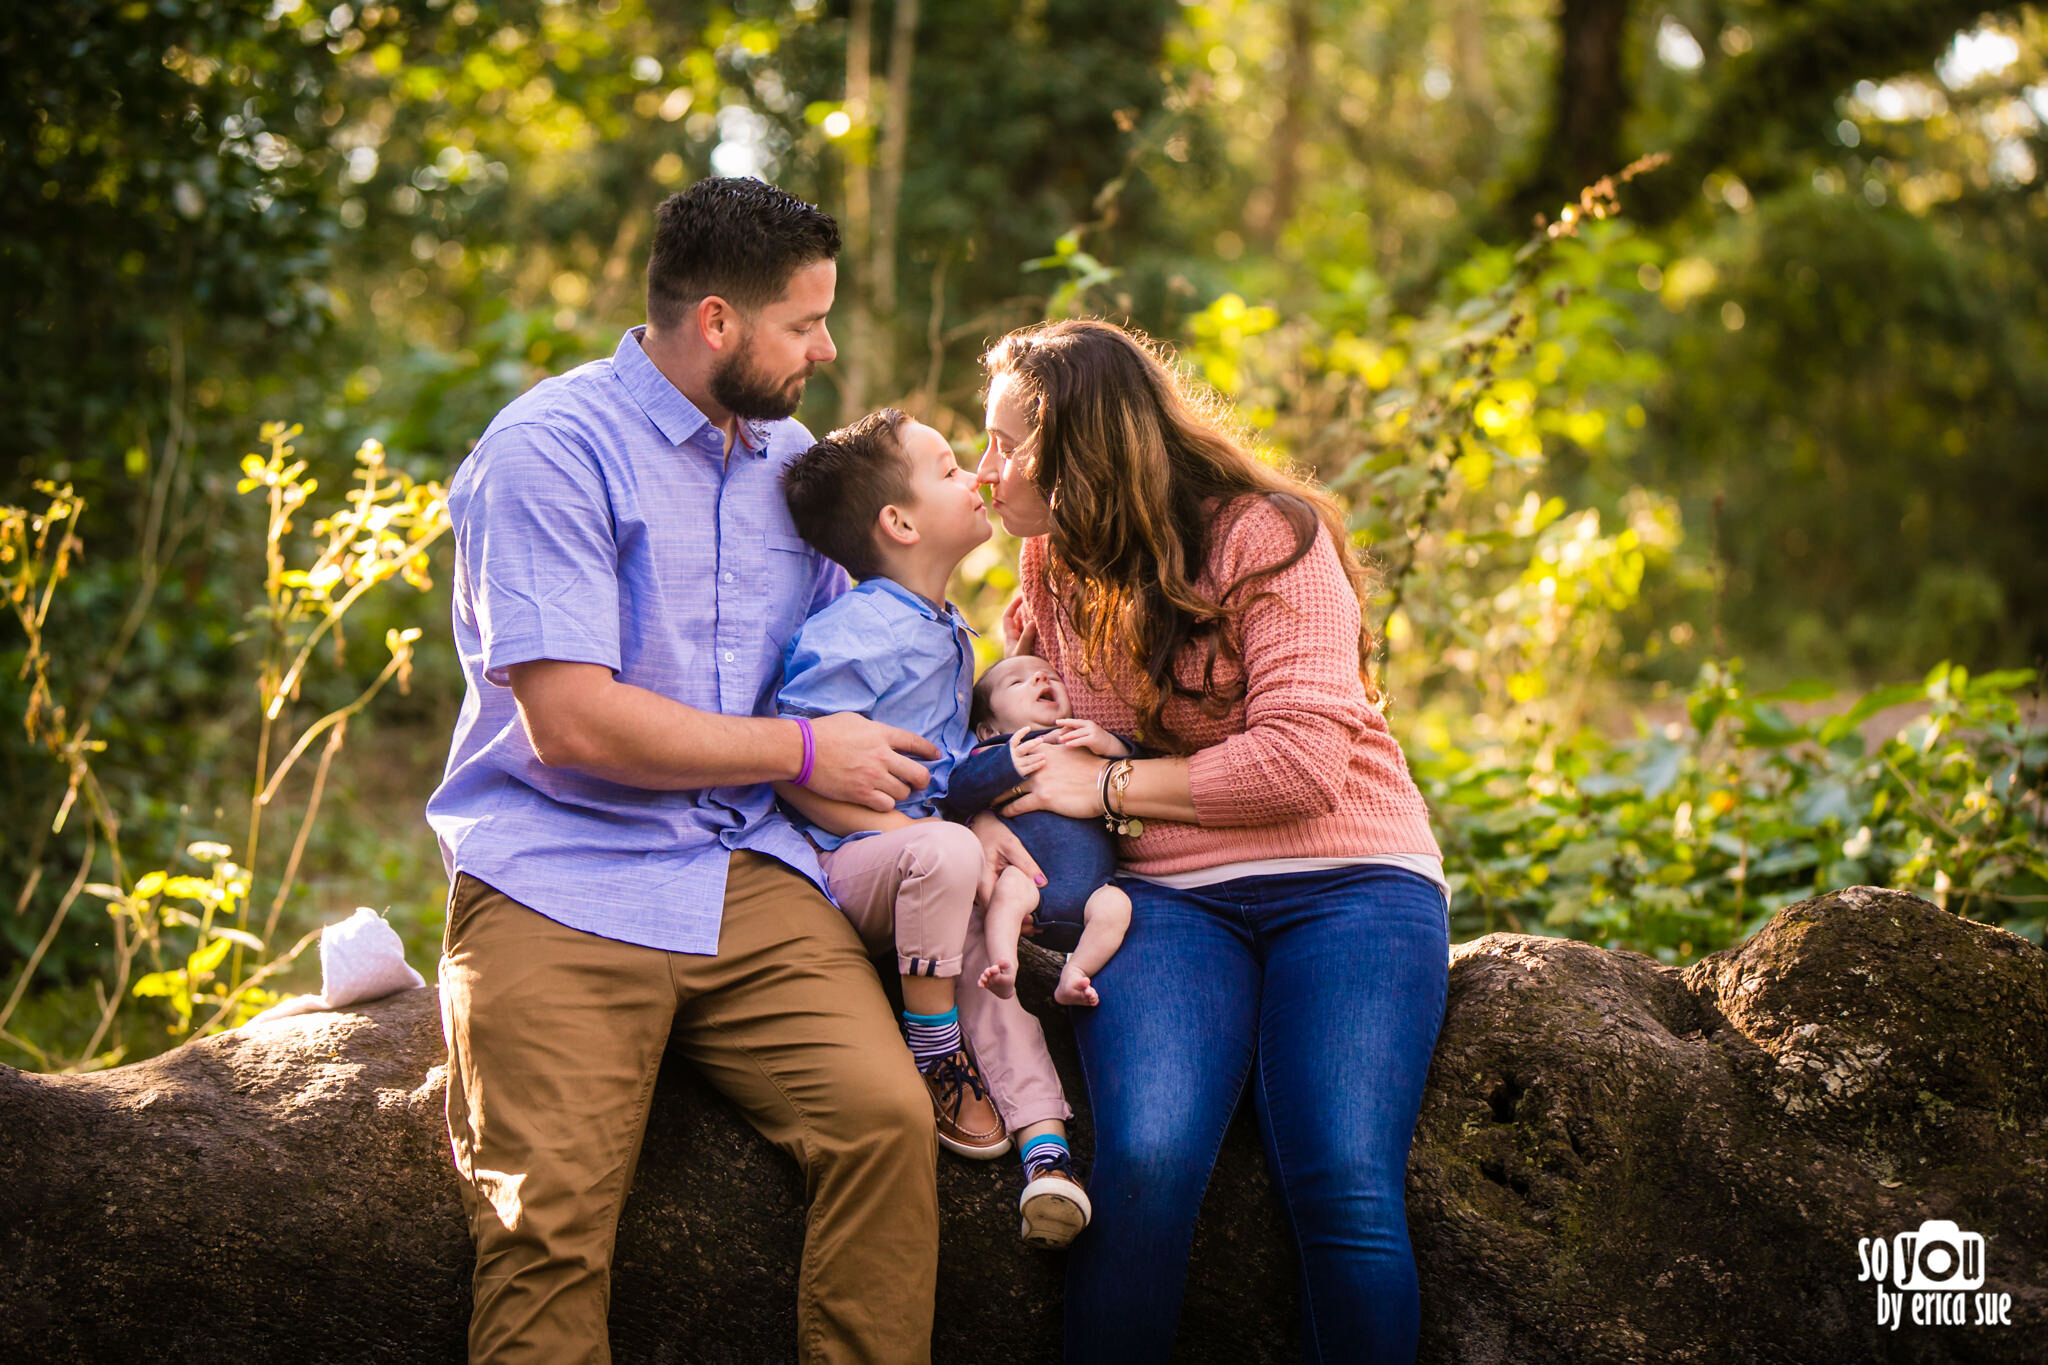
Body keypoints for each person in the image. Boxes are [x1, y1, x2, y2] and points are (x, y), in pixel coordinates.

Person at [427, 178, 954, 1365]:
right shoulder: (547, 453)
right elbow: (573, 723)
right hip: (560, 879)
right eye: (804, 325)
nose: (825, 349)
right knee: (545, 1224)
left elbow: (861, 651)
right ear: (717, 322)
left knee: (882, 1126)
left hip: (743, 874)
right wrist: (804, 751)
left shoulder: (793, 458)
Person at [975, 318, 1452, 1364]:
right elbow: (1020, 735)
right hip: (1170, 898)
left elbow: (1299, 764)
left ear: (1080, 450)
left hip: (1351, 881)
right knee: (1145, 1161)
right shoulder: (1048, 563)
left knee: (1341, 1174)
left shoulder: (1266, 536)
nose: (984, 470)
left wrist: (1106, 783)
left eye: (1004, 442)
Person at [775, 407, 1093, 1251]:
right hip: (857, 865)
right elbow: (798, 763)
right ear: (900, 522)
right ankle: (931, 1049)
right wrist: (923, 830)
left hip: (932, 871)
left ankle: (1046, 1150)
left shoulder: (941, 623)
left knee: (998, 977)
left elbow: (948, 759)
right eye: (951, 469)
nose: (976, 477)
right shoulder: (854, 628)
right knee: (953, 855)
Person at [939, 654, 1134, 1008]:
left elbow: (1138, 768)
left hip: (1094, 893)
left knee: (1117, 907)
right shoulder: (997, 750)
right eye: (1017, 681)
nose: (1041, 678)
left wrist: (1110, 744)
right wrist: (1004, 765)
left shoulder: (1085, 740)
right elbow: (958, 792)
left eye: (1051, 675)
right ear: (988, 730)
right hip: (1031, 885)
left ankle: (1076, 971)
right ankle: (1004, 964)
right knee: (1009, 891)